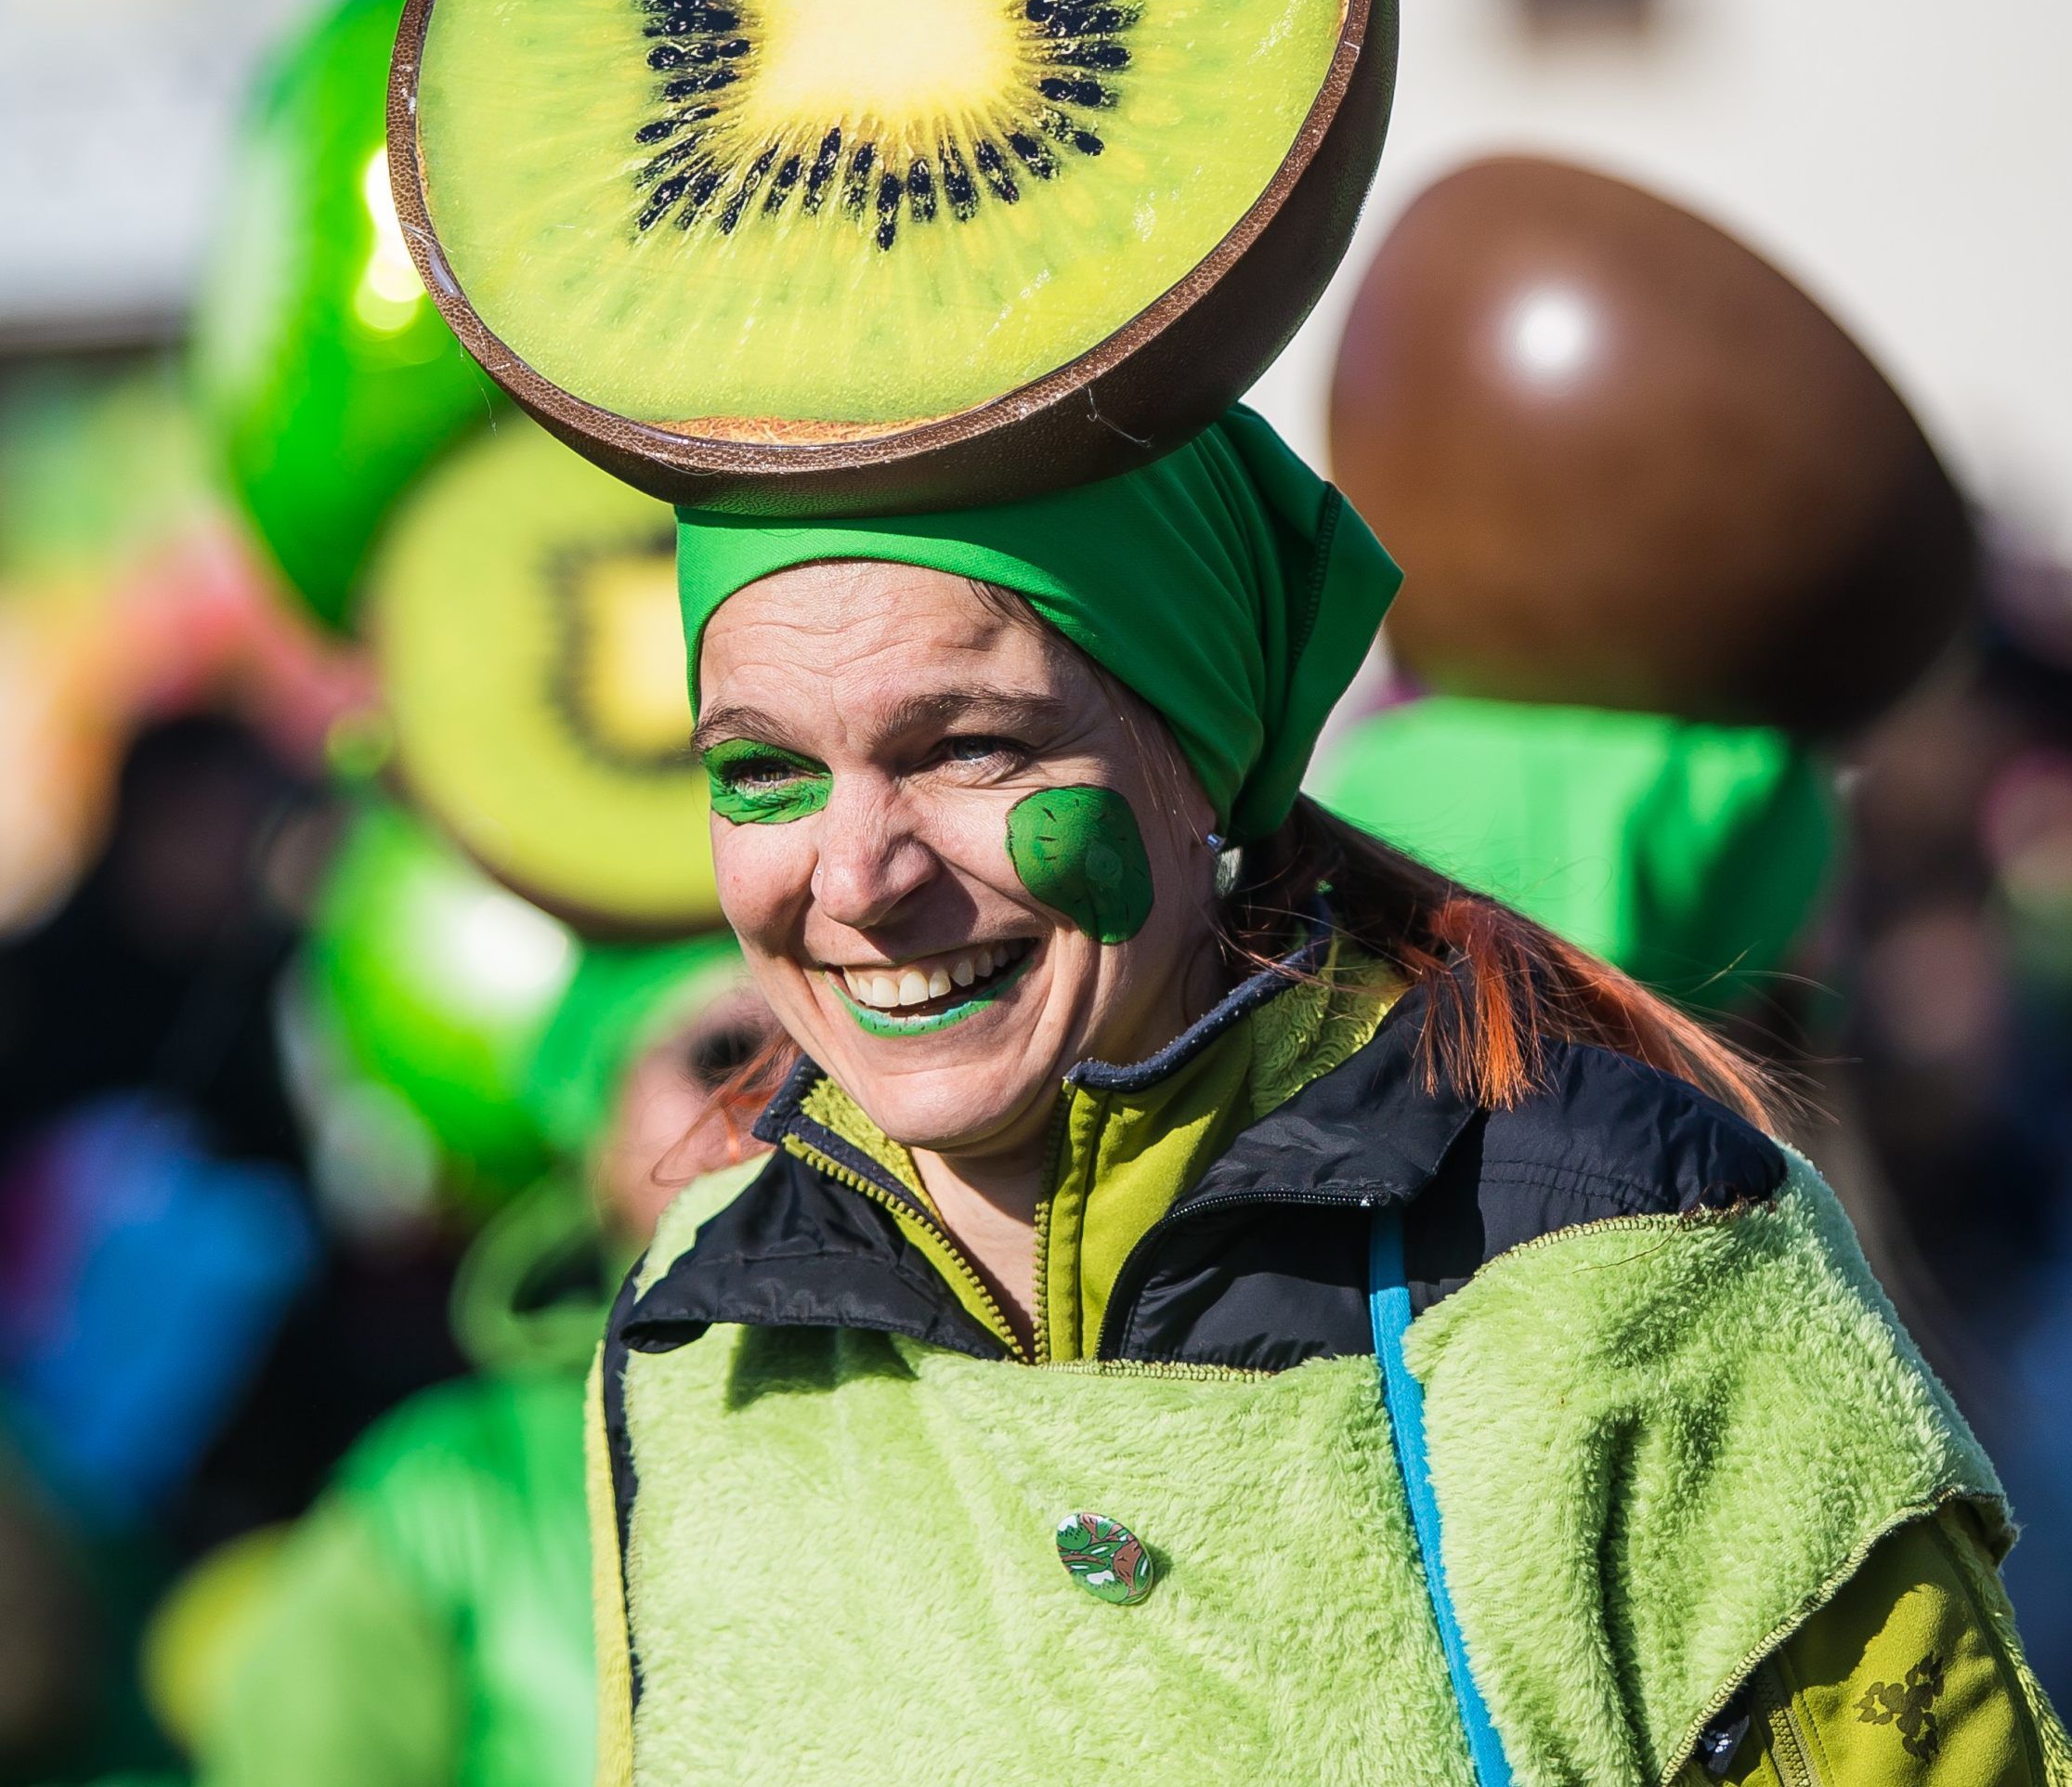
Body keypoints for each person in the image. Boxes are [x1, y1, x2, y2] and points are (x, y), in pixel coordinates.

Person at [589, 409, 2069, 1785]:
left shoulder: (1635, 1259)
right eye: (763, 768)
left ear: (1206, 753)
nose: (853, 879)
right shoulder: (692, 1326)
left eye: (970, 744)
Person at [190, 935, 768, 1787]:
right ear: (594, 1126)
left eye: (830, 1057)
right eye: (723, 1054)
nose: (786, 1103)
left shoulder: (996, 1406)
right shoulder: (445, 1495)